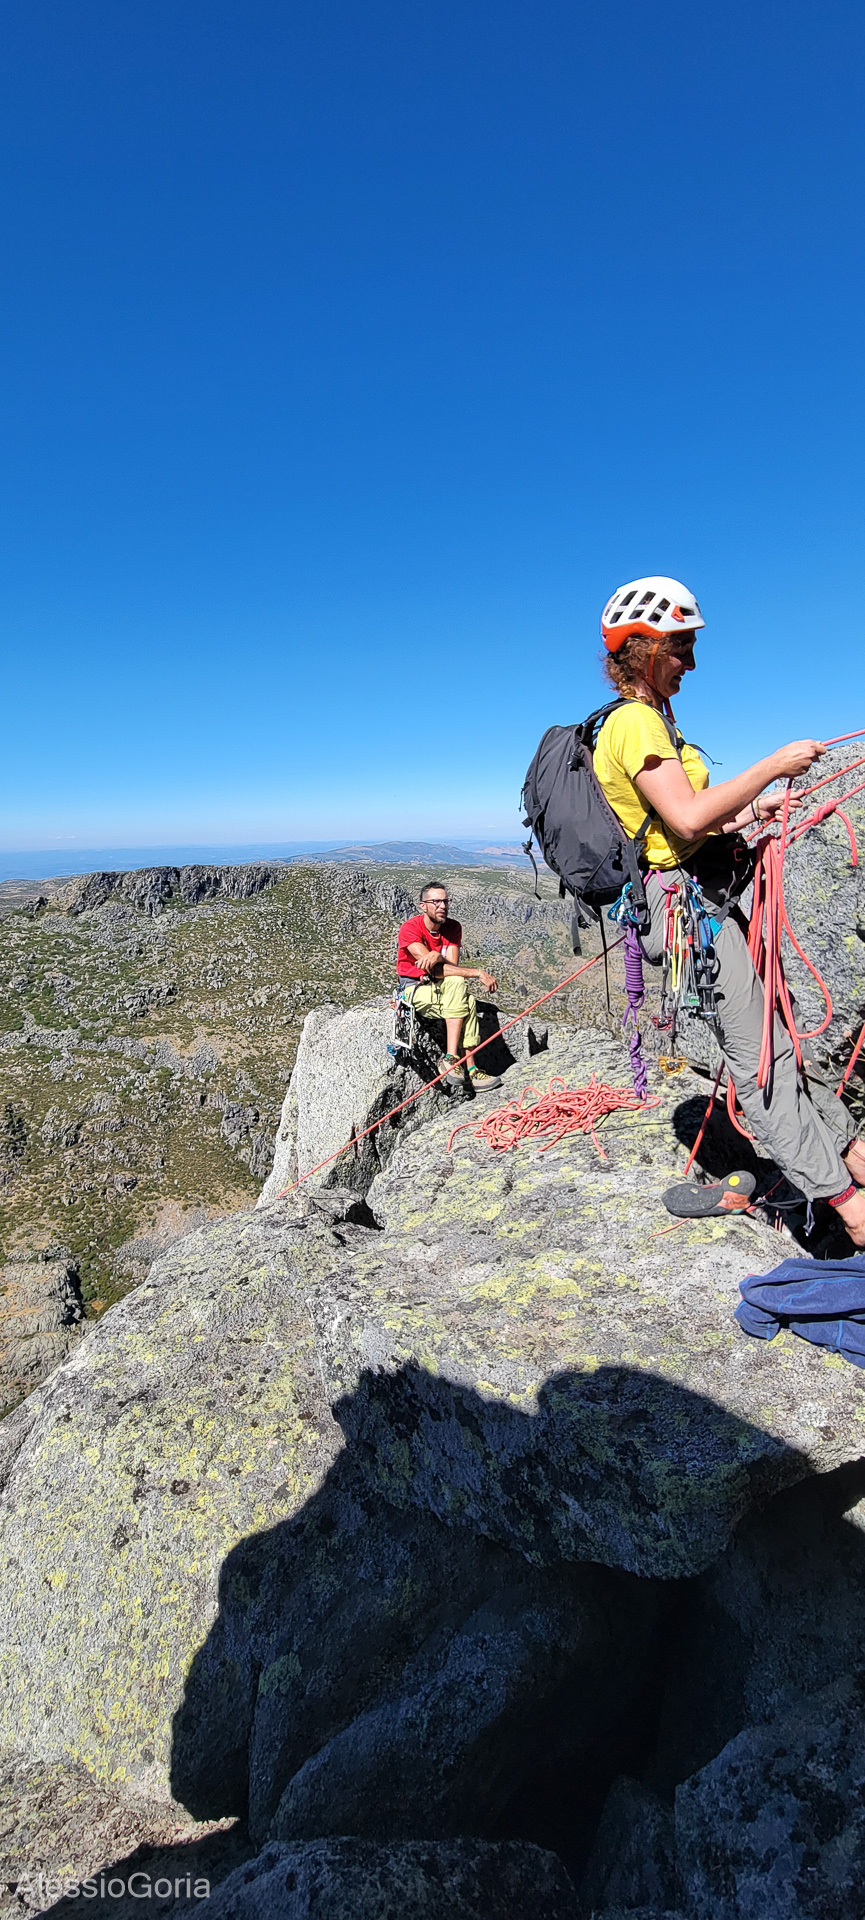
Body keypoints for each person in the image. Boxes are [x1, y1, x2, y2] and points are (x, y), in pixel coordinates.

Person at [593, 573, 865, 1244]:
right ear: (644, 647)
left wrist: (749, 811)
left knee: (778, 1044)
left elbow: (683, 824)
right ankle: (852, 1215)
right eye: (680, 647)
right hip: (689, 914)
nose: (689, 662)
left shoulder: (651, 721)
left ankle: (849, 1160)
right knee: (760, 1063)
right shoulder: (632, 723)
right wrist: (770, 767)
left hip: (701, 900)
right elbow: (684, 816)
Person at [396, 882, 503, 1090]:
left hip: (441, 984)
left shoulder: (453, 928)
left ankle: (470, 1070)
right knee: (463, 994)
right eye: (435, 901)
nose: (442, 906)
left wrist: (436, 956)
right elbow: (433, 970)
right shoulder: (410, 928)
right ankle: (454, 1059)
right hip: (413, 988)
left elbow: (450, 969)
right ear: (423, 906)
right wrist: (478, 973)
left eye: (445, 901)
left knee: (467, 998)